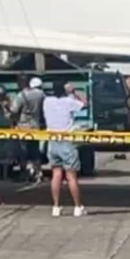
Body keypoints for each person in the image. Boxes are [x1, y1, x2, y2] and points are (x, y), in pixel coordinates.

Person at [43, 79, 88, 217]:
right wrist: (74, 92)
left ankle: (56, 206)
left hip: (52, 141)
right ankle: (77, 207)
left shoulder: (47, 101)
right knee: (71, 176)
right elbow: (85, 104)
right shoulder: (69, 101)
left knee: (56, 174)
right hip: (66, 141)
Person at [12, 75, 46, 182]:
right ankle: (38, 172)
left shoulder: (20, 96)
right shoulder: (40, 94)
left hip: (23, 127)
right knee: (35, 150)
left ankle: (25, 173)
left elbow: (14, 111)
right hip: (35, 126)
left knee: (23, 151)